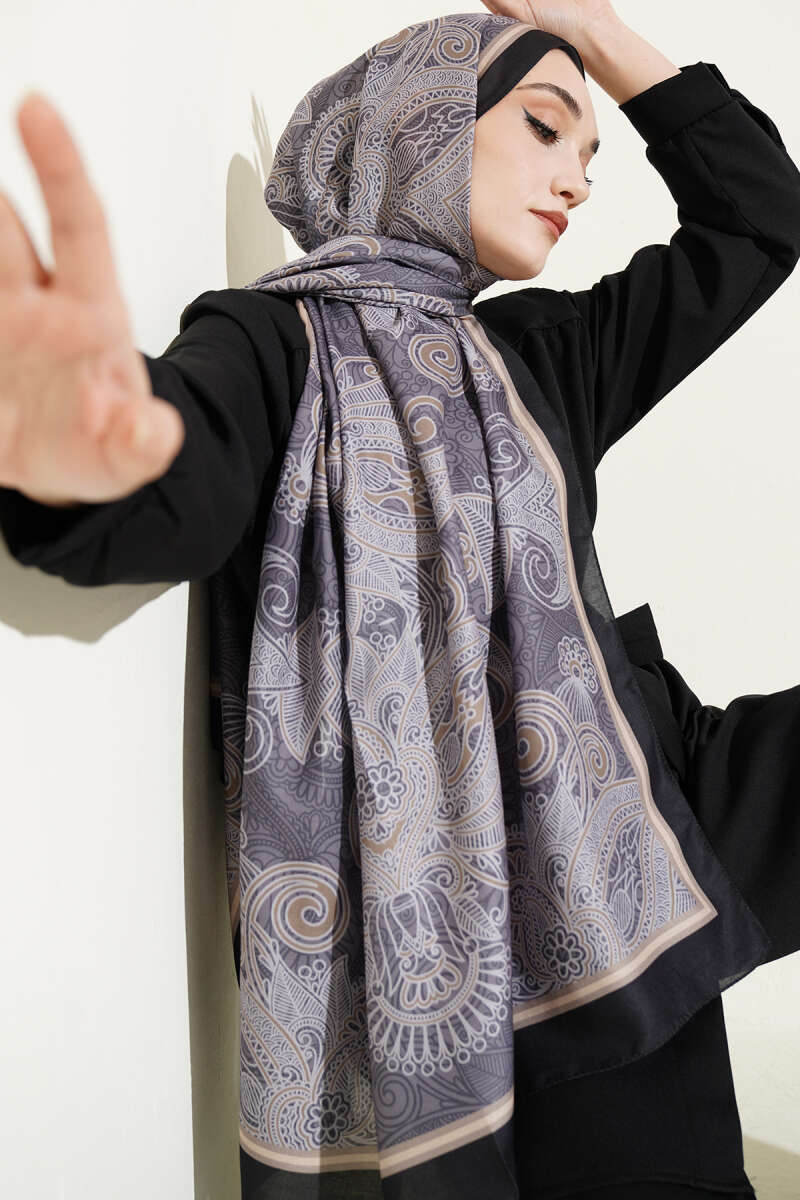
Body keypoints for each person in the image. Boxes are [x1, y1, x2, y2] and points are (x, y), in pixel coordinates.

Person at [1, 3, 799, 1198]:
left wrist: (593, 32)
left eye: (589, 154)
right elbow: (181, 474)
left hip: (623, 841)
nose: (577, 180)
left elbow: (759, 219)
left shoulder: (540, 354)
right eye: (544, 128)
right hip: (418, 912)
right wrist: (80, 457)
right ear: (415, 124)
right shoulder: (273, 344)